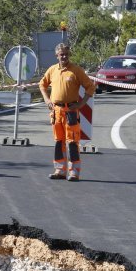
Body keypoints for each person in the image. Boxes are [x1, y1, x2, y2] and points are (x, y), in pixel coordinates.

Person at [39, 43, 96, 181]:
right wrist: (47, 100)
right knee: (59, 142)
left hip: (71, 111)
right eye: (61, 54)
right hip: (56, 112)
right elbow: (42, 84)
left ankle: (74, 172)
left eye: (66, 54)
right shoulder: (52, 70)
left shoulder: (76, 70)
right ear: (56, 55)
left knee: (72, 142)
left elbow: (90, 87)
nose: (64, 56)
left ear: (69, 54)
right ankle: (60, 170)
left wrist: (82, 103)